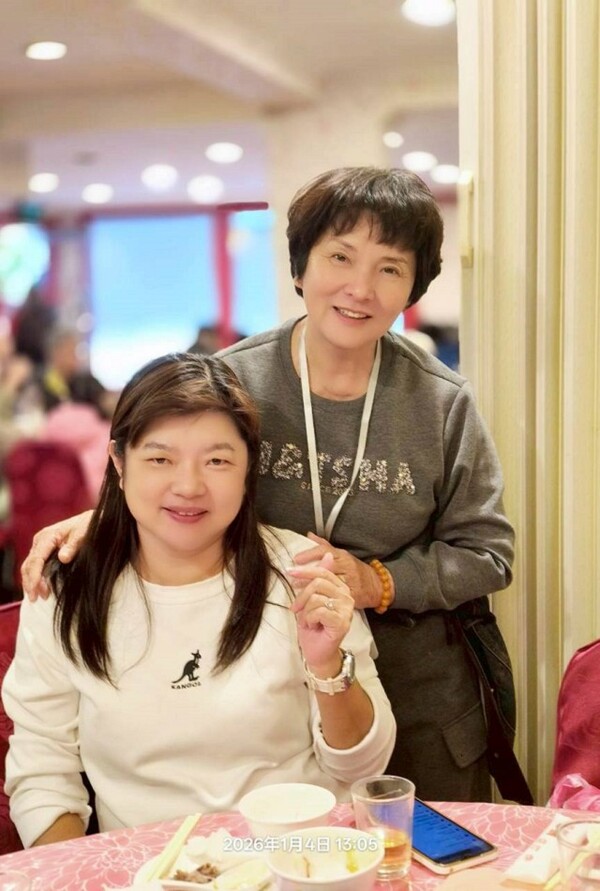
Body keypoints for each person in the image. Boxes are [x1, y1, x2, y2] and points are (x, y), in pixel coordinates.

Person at [20, 166, 514, 802]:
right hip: (267, 689)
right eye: (340, 257)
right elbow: (174, 471)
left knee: (423, 851)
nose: (360, 288)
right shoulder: (235, 379)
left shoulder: (440, 402)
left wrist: (377, 582)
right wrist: (104, 517)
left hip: (420, 696)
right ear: (301, 265)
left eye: (390, 268)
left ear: (413, 286)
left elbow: (487, 552)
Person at [2, 353, 395, 848]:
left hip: (295, 857)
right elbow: (43, 771)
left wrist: (326, 666)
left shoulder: (302, 570)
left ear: (248, 468)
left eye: (217, 461)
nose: (188, 486)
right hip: (144, 869)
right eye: (160, 459)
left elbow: (364, 767)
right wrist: (84, 877)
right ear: (119, 463)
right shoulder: (66, 589)